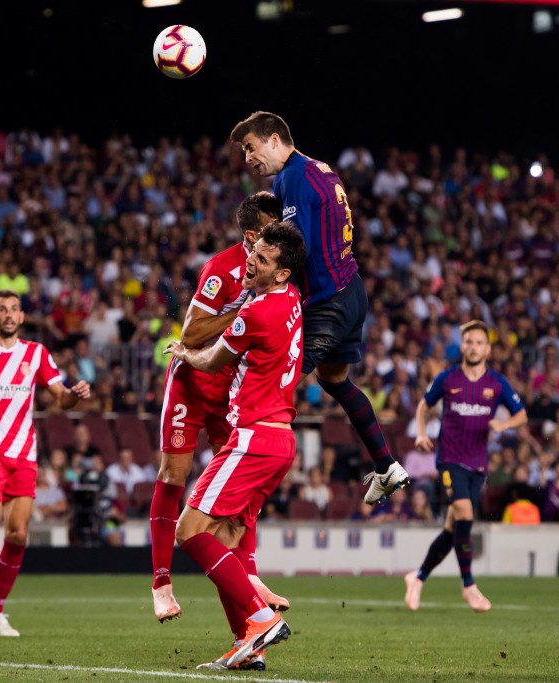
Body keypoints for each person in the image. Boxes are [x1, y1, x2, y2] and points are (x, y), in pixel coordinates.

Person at [229, 111, 407, 505]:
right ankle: (386, 466)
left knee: (274, 383)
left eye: (250, 148)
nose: (247, 158)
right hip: (351, 290)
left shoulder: (290, 177)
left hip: (328, 303)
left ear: (274, 140)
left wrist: (258, 271)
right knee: (334, 380)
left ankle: (244, 485)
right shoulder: (319, 168)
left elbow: (298, 246)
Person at [164, 221, 304, 671]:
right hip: (280, 440)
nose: (251, 260)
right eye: (253, 251)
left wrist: (184, 354)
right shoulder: (291, 301)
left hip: (252, 437)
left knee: (189, 531)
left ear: (281, 272)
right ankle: (249, 648)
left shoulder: (257, 313)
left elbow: (209, 358)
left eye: (262, 259)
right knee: (225, 539)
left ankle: (260, 619)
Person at [150, 191, 289, 623]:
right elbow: (190, 334)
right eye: (272, 226)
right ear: (252, 235)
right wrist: (244, 314)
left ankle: (248, 573)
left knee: (237, 489)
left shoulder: (274, 274)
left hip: (231, 391)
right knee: (174, 475)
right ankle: (160, 582)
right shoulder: (223, 270)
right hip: (192, 383)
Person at [0, 289, 90, 639]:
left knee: (19, 532)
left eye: (14, 309)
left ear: (22, 317)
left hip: (23, 452)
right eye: (1, 310)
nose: (8, 315)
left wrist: (75, 395)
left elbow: (61, 397)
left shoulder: (36, 353)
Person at [404, 320, 527, 612]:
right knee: (465, 513)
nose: (473, 346)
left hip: (478, 465)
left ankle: (417, 577)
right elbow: (424, 405)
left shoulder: (497, 384)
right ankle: (469, 585)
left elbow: (521, 414)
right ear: (463, 345)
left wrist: (505, 423)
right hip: (450, 459)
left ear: (487, 348)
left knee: (453, 527)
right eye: (469, 341)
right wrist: (421, 433)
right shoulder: (448, 378)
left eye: (479, 342)